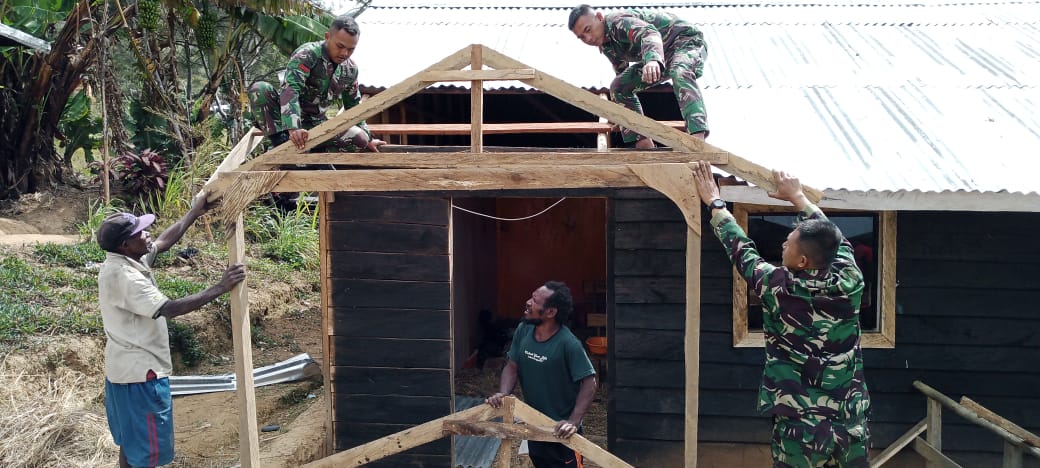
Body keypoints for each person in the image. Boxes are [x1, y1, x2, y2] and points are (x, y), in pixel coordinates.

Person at [692, 161, 871, 468]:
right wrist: (798, 197)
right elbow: (835, 239)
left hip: (800, 429)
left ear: (802, 260)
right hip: (849, 424)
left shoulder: (778, 287)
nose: (783, 243)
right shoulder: (850, 279)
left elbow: (741, 249)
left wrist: (715, 203)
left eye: (788, 244)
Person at [97, 192, 246, 468]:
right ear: (125, 244)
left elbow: (163, 242)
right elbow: (171, 308)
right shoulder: (126, 278)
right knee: (148, 453)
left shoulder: (126, 260)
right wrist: (221, 287)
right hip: (142, 377)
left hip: (123, 375)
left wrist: (194, 213)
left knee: (132, 444)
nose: (148, 233)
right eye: (141, 232)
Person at [486, 281, 597, 468]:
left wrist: (573, 421)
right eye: (531, 297)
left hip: (563, 434)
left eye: (535, 301)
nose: (528, 302)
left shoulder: (568, 344)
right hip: (535, 426)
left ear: (551, 312)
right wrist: (504, 393)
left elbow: (589, 382)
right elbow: (512, 366)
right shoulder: (524, 330)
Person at [568, 4, 709, 148]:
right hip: (663, 55)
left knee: (679, 71)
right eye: (582, 37)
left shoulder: (618, 22)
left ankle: (697, 136)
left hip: (685, 41)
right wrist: (621, 111)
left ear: (599, 18)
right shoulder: (607, 47)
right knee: (618, 87)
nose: (588, 38)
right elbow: (622, 75)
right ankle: (643, 142)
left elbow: (649, 33)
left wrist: (653, 59)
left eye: (588, 29)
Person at [248, 14, 385, 153]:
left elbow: (354, 107)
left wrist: (368, 138)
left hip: (317, 125)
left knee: (359, 138)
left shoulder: (350, 70)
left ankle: (314, 158)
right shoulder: (308, 54)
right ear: (327, 37)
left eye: (351, 49)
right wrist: (293, 128)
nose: (344, 53)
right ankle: (282, 146)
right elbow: (290, 89)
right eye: (340, 46)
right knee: (259, 89)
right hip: (287, 122)